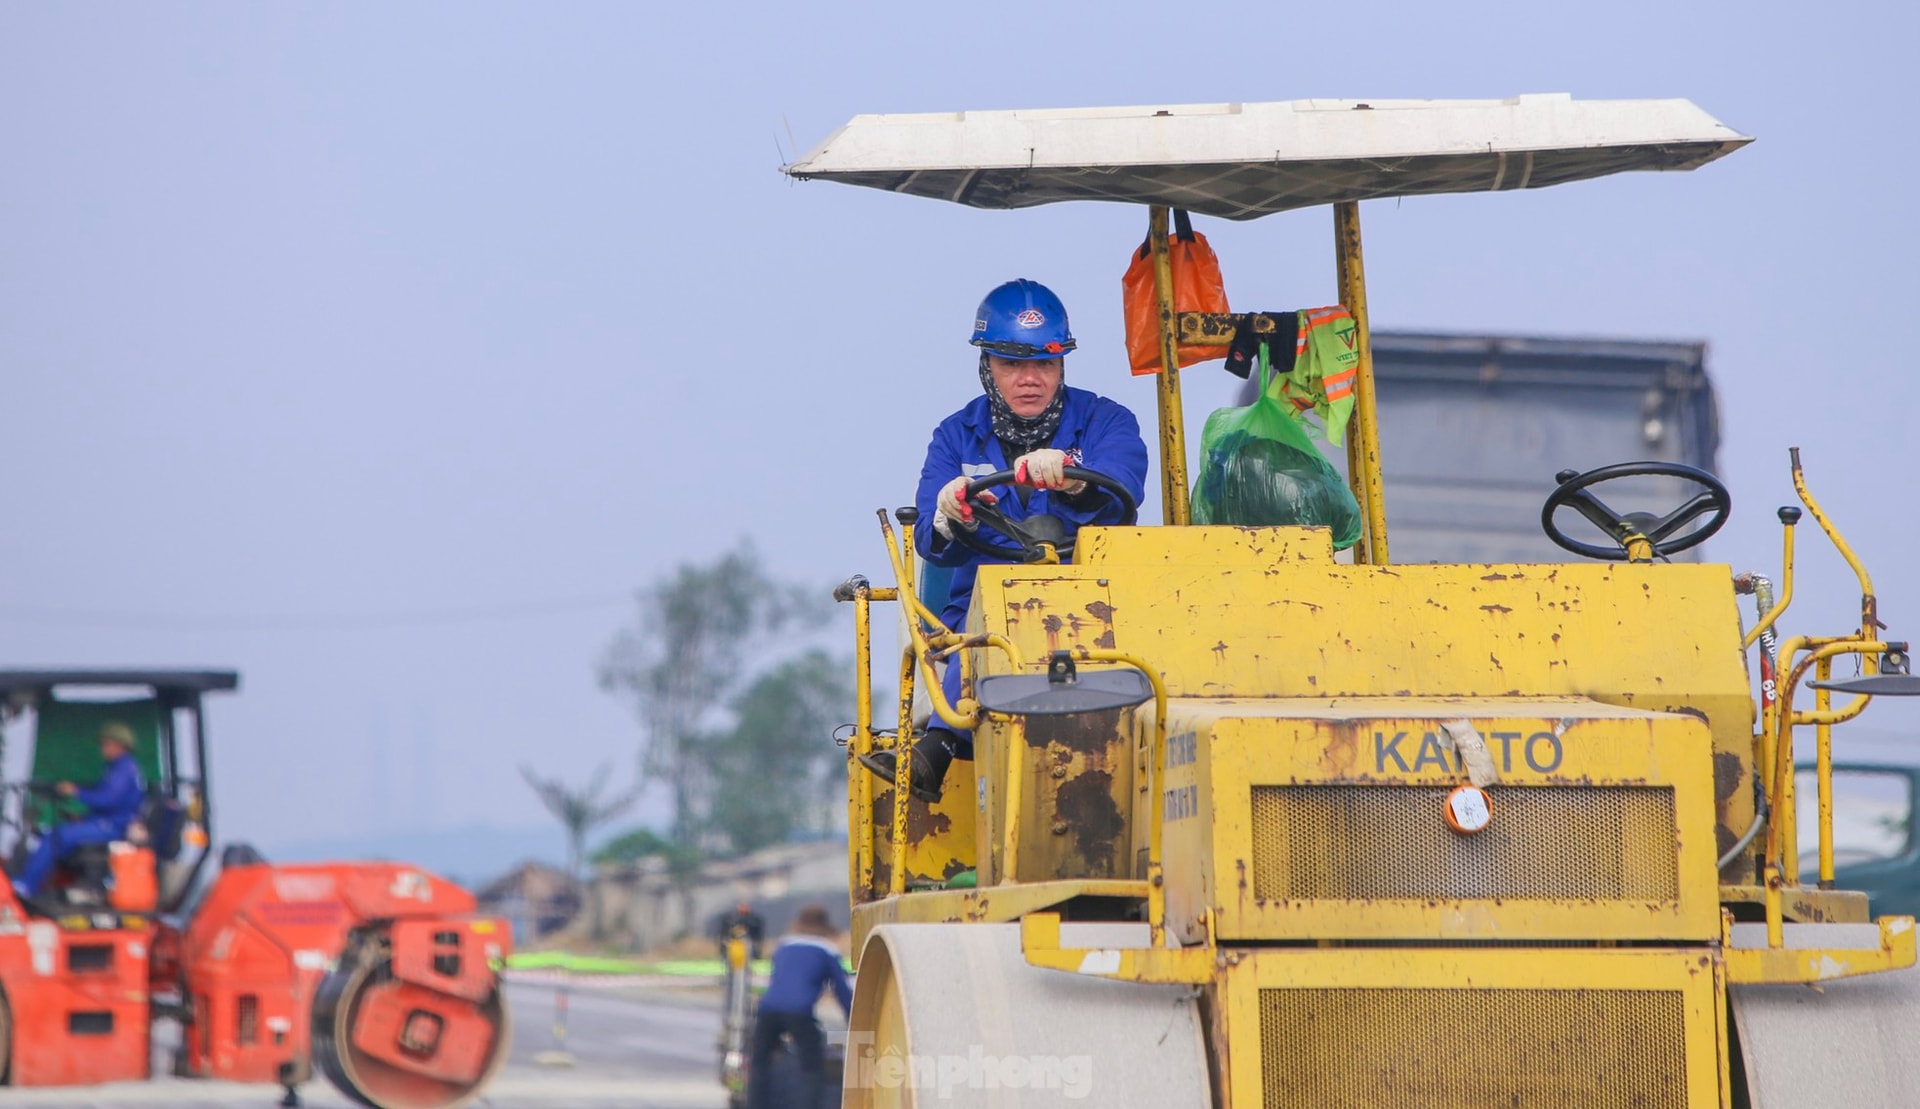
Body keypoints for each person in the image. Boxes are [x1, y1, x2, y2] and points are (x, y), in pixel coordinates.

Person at [859, 278, 1148, 802]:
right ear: (987, 367)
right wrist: (950, 512)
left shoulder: (1106, 421)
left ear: (1063, 366)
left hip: (1094, 607)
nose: (1030, 379)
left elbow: (1126, 481)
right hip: (982, 615)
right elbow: (928, 534)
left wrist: (1077, 477)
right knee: (991, 612)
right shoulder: (955, 436)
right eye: (1013, 364)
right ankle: (940, 748)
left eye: (1045, 363)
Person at [13, 721, 146, 900]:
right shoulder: (117, 767)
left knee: (58, 836)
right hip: (108, 821)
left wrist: (75, 791)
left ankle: (26, 885)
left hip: (115, 826)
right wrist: (82, 816)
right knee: (55, 832)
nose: (103, 748)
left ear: (120, 745)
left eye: (106, 744)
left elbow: (107, 800)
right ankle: (46, 888)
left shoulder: (123, 769)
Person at [749, 904, 851, 1109]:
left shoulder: (784, 945)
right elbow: (842, 990)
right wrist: (855, 1019)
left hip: (768, 1009)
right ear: (826, 925)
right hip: (799, 1012)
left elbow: (777, 979)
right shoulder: (826, 949)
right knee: (811, 1067)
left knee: (760, 1063)